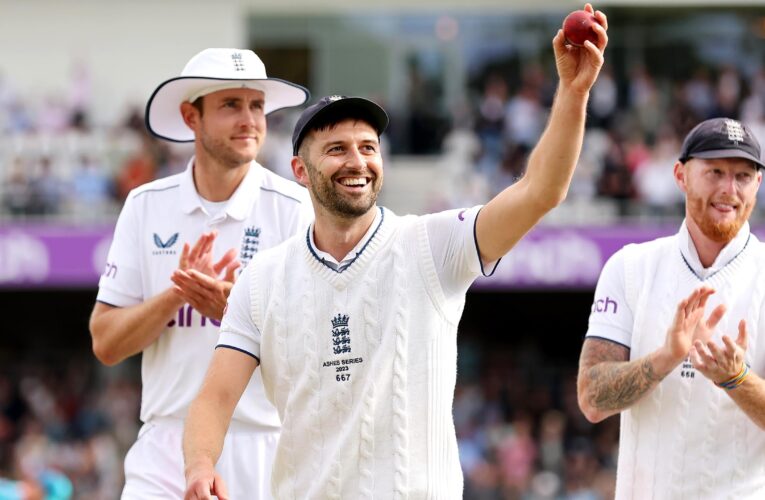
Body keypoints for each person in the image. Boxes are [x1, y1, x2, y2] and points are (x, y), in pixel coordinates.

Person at [182, 5, 608, 499]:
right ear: (300, 170)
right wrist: (198, 466)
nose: (358, 161)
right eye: (337, 148)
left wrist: (574, 94)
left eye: (368, 146)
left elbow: (541, 190)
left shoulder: (432, 244)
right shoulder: (263, 280)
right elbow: (213, 399)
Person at [89, 48, 314, 499]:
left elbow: (316, 345)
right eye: (231, 105)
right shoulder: (146, 204)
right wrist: (176, 295)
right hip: (164, 447)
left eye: (257, 106)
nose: (249, 119)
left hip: (263, 446)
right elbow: (106, 342)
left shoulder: (294, 208)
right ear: (191, 117)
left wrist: (237, 312)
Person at [577, 117, 765, 498]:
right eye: (715, 172)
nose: (729, 190)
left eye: (743, 176)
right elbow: (591, 400)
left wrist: (735, 378)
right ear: (681, 176)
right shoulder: (630, 266)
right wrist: (666, 358)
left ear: (758, 184)